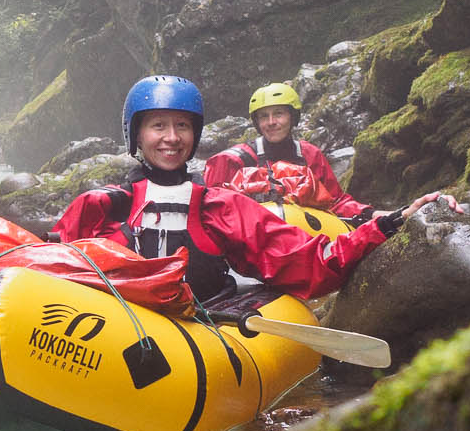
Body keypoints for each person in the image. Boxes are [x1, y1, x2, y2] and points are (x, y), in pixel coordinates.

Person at [52, 76, 448, 306]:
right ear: (136, 134)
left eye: (183, 127)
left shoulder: (220, 207)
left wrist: (388, 223)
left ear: (194, 135)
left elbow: (312, 261)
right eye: (158, 126)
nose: (171, 138)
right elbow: (54, 273)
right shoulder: (100, 206)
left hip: (201, 330)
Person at [203, 81, 374, 220]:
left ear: (293, 117)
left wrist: (372, 214)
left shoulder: (310, 155)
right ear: (257, 123)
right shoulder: (234, 160)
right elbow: (211, 213)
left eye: (278, 113)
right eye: (264, 116)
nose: (271, 122)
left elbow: (335, 202)